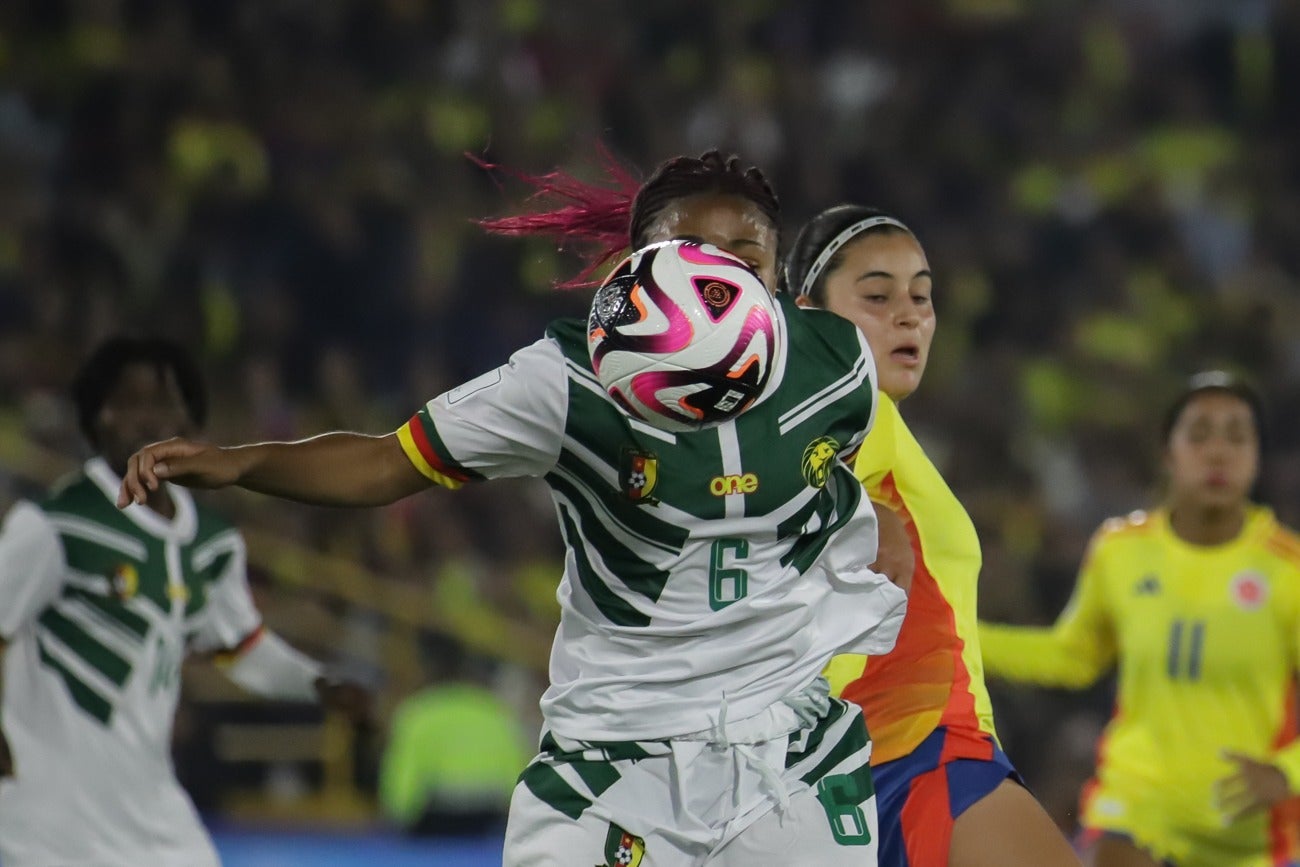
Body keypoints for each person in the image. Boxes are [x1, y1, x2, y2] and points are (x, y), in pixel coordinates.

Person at [119, 150, 912, 866]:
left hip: (787, 759)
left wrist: (880, 555)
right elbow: (386, 461)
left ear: (776, 275)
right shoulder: (563, 381)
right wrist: (240, 462)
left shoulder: (836, 362)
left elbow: (856, 490)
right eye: (696, 258)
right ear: (638, 268)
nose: (724, 281)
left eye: (749, 259)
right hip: (615, 758)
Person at [784, 204, 1080, 866]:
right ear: (809, 313)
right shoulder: (856, 407)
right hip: (928, 757)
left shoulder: (850, 423)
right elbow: (795, 485)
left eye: (921, 295)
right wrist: (860, 512)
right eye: (877, 295)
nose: (910, 314)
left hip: (846, 776)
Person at [0, 336, 369, 867]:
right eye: (128, 403)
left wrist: (316, 684)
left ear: (190, 420)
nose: (147, 420)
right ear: (96, 416)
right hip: (47, 816)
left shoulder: (211, 544)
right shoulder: (54, 526)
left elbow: (241, 648)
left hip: (153, 814)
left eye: (163, 403)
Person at [979, 371, 1300, 867]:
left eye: (1237, 437)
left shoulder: (1288, 567)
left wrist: (1286, 772)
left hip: (1247, 835)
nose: (1218, 452)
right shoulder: (1120, 549)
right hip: (1136, 805)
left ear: (1256, 458)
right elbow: (1074, 656)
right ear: (1168, 453)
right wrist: (959, 636)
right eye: (1198, 435)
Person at [379, 632, 532, 837]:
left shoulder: (417, 712)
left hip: (435, 819)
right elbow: (518, 772)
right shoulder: (494, 709)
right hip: (488, 819)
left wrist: (399, 823)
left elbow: (402, 788)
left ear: (425, 667)